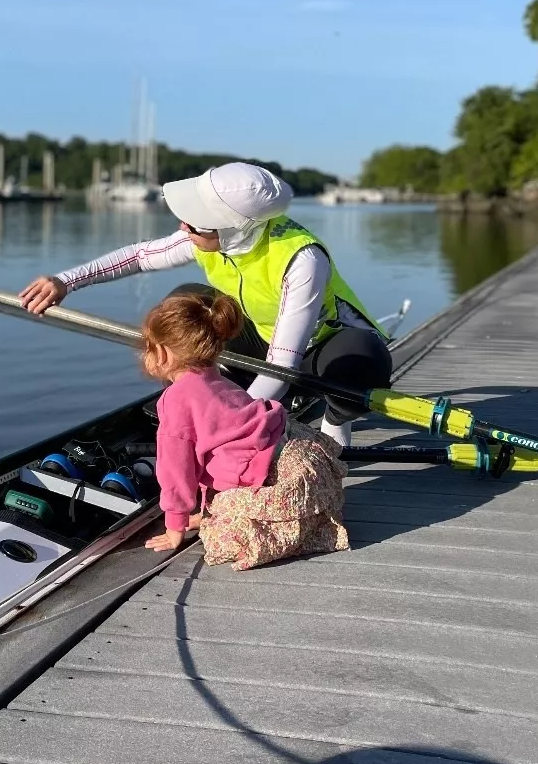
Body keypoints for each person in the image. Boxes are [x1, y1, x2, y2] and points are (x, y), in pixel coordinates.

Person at [20, 161, 393, 447]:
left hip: (320, 350)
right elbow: (139, 256)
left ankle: (336, 417)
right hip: (259, 336)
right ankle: (195, 393)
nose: (184, 228)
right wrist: (66, 281)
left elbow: (283, 363)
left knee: (365, 359)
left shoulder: (302, 259)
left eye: (194, 225)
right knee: (184, 300)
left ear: (234, 227)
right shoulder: (208, 234)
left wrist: (230, 426)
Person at [138, 289, 349, 570]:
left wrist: (174, 526)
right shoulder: (217, 380)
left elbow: (177, 471)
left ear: (163, 352)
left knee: (222, 539)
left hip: (278, 481)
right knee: (220, 508)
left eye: (147, 348)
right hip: (301, 461)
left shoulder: (175, 400)